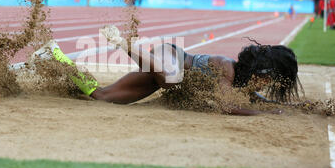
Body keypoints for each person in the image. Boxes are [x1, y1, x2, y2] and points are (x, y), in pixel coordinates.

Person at [30, 26, 302, 116]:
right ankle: (124, 44)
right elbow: (227, 106)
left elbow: (257, 100)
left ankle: (54, 57)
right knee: (172, 80)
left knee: (102, 97)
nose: (265, 85)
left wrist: (288, 108)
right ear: (261, 71)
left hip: (161, 72)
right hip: (168, 58)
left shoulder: (241, 82)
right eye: (268, 79)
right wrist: (259, 112)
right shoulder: (225, 70)